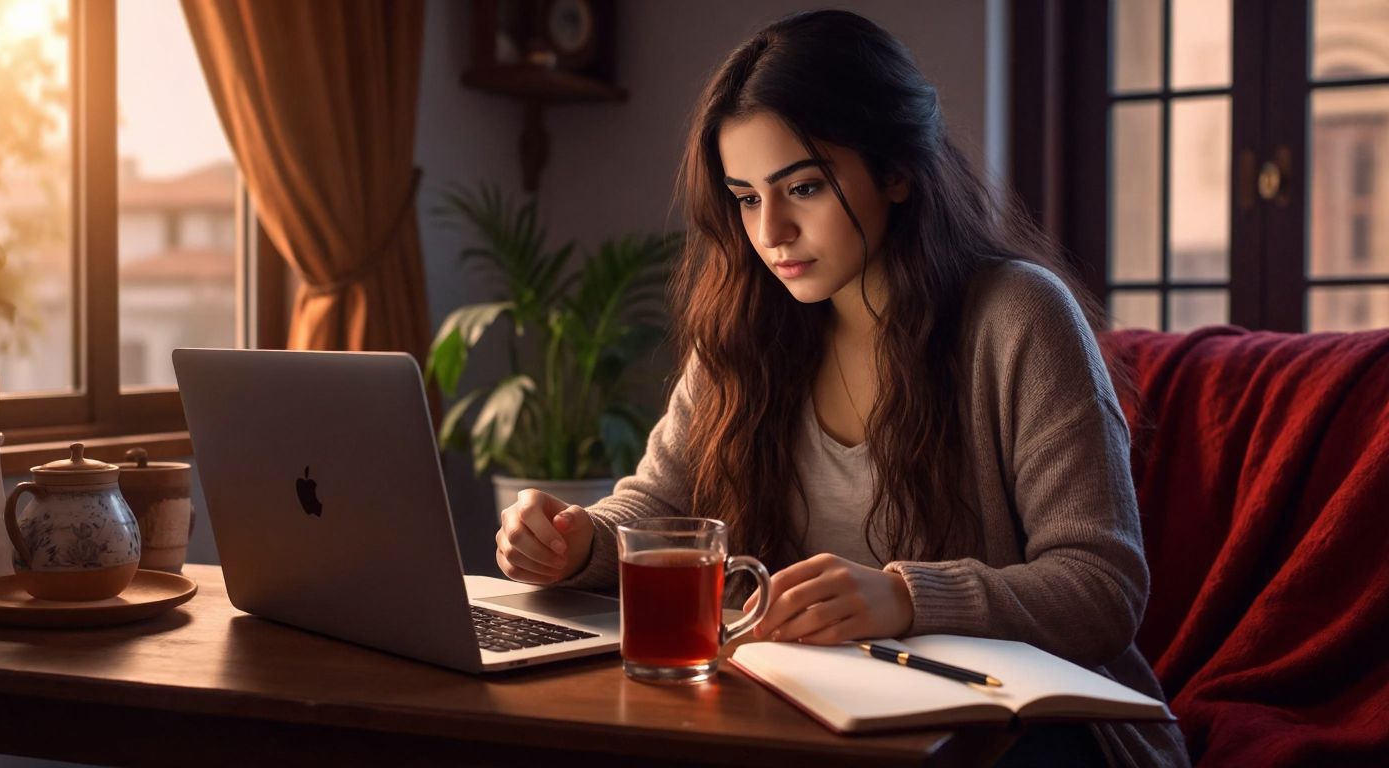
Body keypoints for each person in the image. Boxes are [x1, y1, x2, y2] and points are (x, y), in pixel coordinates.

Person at [493, 10, 1188, 768]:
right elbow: (659, 507)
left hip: (1026, 730)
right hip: (815, 721)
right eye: (747, 197)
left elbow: (1101, 587)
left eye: (804, 187)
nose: (772, 233)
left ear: (895, 172)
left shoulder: (1018, 315)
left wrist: (906, 599)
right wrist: (574, 540)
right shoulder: (746, 326)